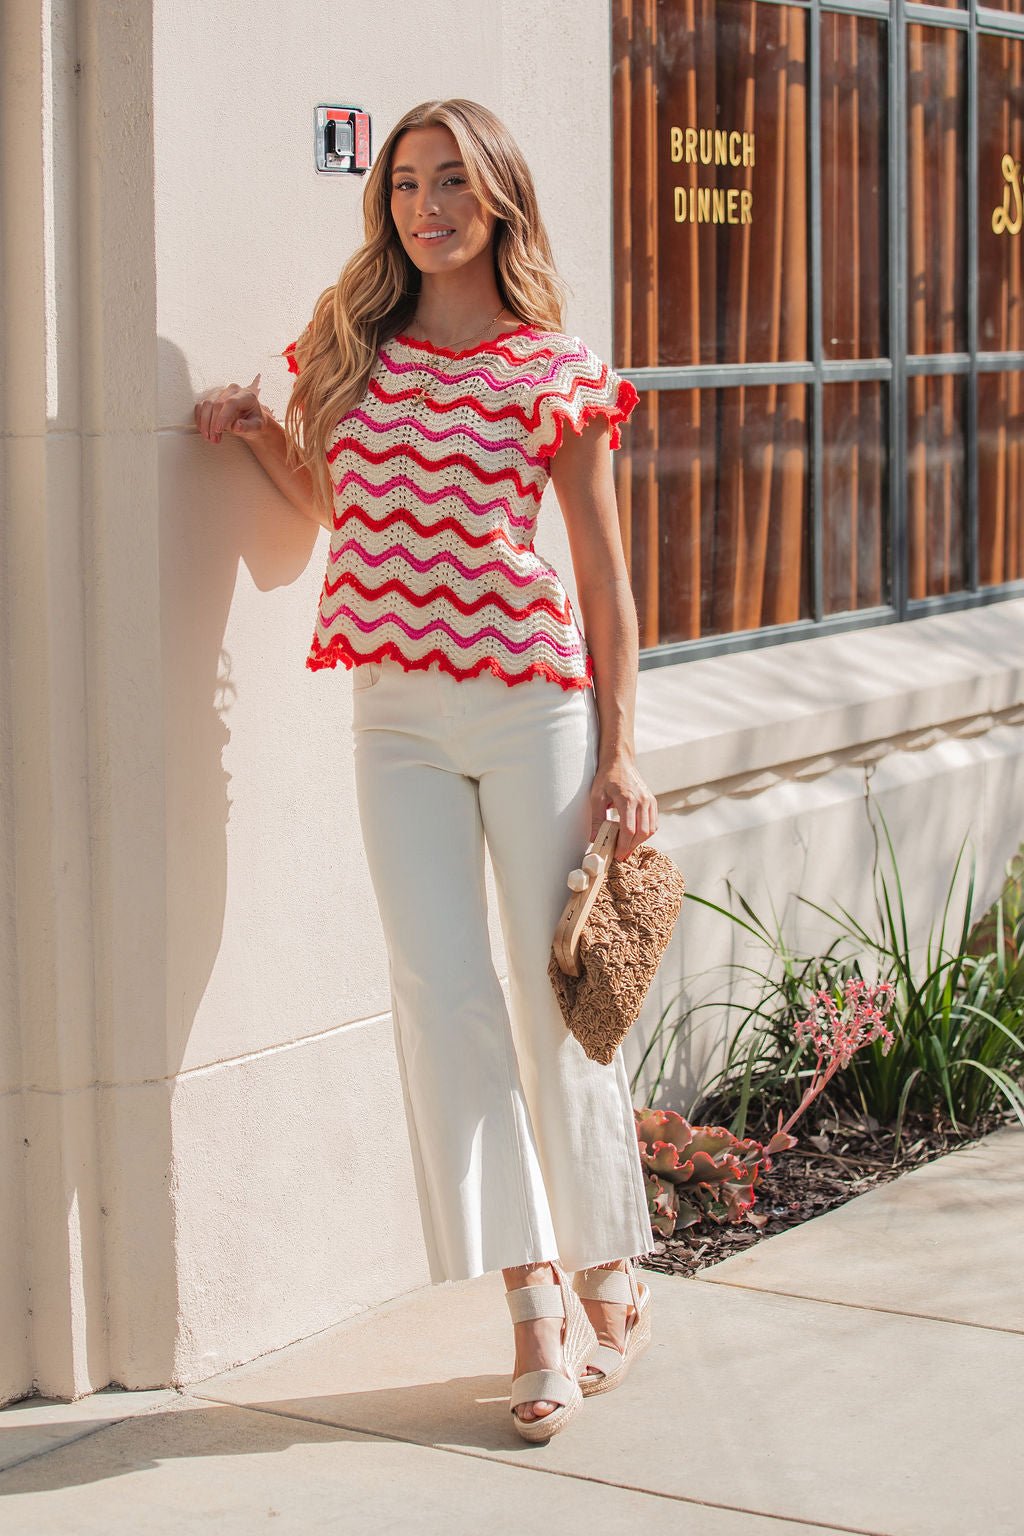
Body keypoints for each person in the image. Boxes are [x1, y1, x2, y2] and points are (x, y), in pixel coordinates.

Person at [194, 97, 658, 1442]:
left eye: (453, 181)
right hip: (394, 714)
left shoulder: (551, 367)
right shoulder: (356, 352)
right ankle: (532, 1310)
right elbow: (340, 506)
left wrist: (625, 752)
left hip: (534, 711)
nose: (426, 204)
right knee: (443, 998)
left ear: (499, 198)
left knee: (550, 999)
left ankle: (610, 1254)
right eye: (406, 182)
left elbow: (610, 590)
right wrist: (257, 432)